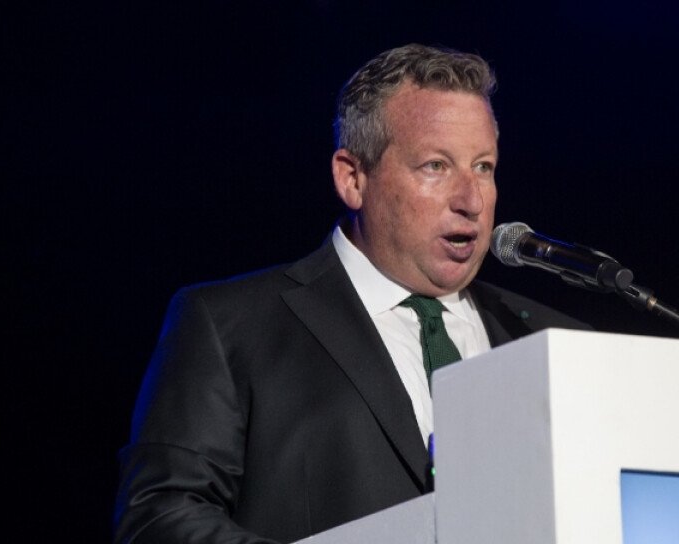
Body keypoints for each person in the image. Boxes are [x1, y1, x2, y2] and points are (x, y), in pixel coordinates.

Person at [113, 43, 589, 543]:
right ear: (353, 178)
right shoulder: (232, 327)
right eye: (436, 166)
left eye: (484, 167)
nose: (471, 200)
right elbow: (158, 517)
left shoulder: (554, 339)